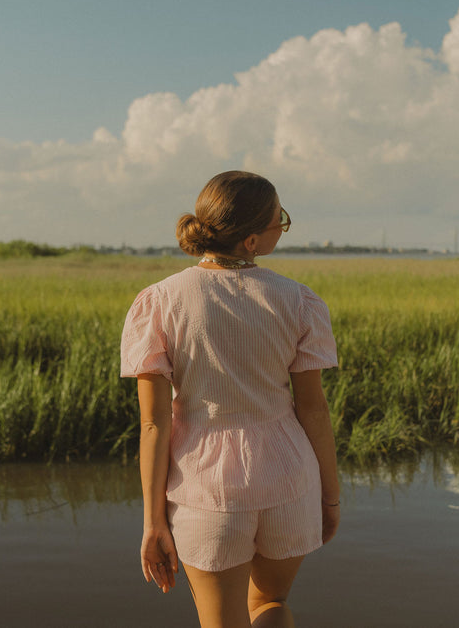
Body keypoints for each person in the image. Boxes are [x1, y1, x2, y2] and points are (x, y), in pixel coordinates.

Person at [120, 171, 340, 628]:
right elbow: (314, 410)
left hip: (206, 488)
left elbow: (153, 423)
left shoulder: (159, 302)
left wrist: (152, 522)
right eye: (280, 218)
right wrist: (330, 499)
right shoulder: (300, 302)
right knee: (271, 606)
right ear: (253, 240)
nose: (284, 225)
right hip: (289, 478)